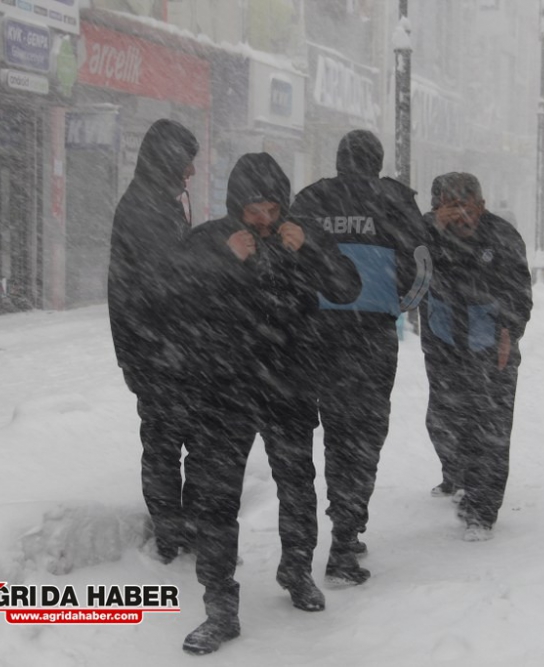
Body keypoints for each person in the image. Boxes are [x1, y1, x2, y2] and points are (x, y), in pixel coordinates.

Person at [178, 153, 361, 655]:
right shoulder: (210, 240)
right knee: (216, 498)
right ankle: (220, 605)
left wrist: (314, 253)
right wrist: (222, 260)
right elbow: (168, 295)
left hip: (290, 384)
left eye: (271, 208)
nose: (263, 218)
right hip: (224, 388)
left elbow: (349, 287)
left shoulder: (302, 236)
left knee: (297, 484)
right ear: (237, 205)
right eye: (254, 208)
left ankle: (296, 571)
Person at [290, 130, 431, 586]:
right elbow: (422, 264)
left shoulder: (311, 199)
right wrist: (398, 303)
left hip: (320, 335)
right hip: (371, 337)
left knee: (335, 431)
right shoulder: (395, 200)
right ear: (377, 160)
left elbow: (289, 260)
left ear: (338, 158)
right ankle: (346, 537)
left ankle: (338, 521)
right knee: (365, 434)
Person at [419, 173, 533, 542]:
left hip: (491, 346)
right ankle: (463, 480)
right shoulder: (426, 233)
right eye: (451, 207)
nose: (462, 216)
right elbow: (404, 260)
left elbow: (519, 292)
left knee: (492, 427)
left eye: (469, 207)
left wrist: (508, 333)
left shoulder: (501, 236)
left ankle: (483, 510)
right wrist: (434, 228)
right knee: (448, 419)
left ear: (482, 206)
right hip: (444, 343)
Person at [107, 119, 199, 564]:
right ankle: (173, 534)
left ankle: (178, 528)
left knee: (168, 441)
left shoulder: (156, 202)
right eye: (187, 164)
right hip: (161, 351)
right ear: (170, 162)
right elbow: (162, 287)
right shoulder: (146, 210)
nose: (192, 174)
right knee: (168, 443)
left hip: (162, 349)